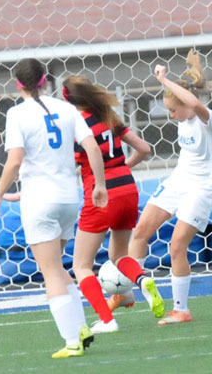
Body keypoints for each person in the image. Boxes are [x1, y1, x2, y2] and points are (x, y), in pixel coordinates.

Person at [0, 58, 107, 359]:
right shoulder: (67, 109)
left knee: (50, 272)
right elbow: (91, 146)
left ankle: (71, 341)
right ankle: (80, 327)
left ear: (18, 84)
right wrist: (99, 185)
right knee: (59, 268)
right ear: (45, 80)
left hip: (40, 201)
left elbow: (15, 160)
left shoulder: (16, 114)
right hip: (69, 199)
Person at [124, 50, 212, 325]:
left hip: (202, 188)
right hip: (178, 182)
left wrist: (165, 80)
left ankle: (181, 309)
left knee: (177, 245)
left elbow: (193, 102)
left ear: (187, 106)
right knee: (140, 232)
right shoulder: (183, 120)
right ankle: (132, 290)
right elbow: (185, 103)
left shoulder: (210, 120)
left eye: (172, 110)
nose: (170, 115)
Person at [61, 75, 164, 333]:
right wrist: (121, 168)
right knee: (120, 256)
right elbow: (144, 148)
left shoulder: (77, 125)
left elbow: (67, 165)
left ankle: (107, 320)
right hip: (128, 189)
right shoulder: (108, 116)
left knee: (81, 266)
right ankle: (142, 281)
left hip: (101, 195)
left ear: (67, 99)